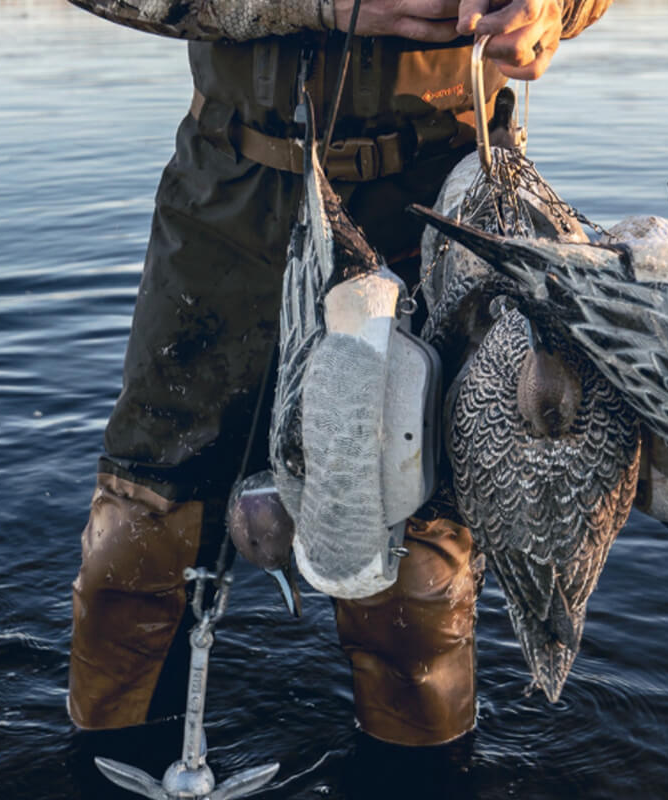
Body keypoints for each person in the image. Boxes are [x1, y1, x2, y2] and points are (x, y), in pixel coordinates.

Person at [66, 0, 614, 750]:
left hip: (440, 205)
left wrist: (555, 7)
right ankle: (96, 768)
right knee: (134, 547)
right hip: (227, 198)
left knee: (415, 585)